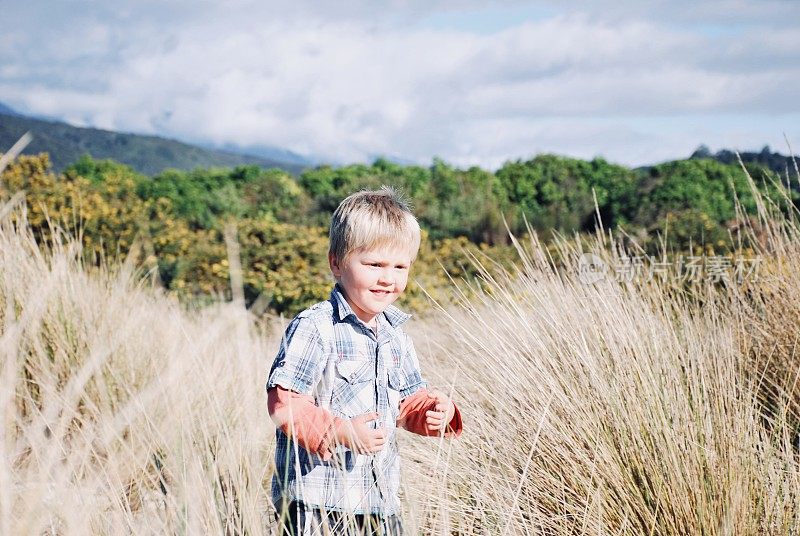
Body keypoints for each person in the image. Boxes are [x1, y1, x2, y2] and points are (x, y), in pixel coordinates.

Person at [266, 187, 463, 535]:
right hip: (316, 503)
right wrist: (338, 431)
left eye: (400, 266)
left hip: (379, 502)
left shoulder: (396, 336)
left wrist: (435, 413)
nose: (388, 278)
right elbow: (284, 403)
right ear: (336, 263)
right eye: (374, 264)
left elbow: (406, 405)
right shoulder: (316, 327)